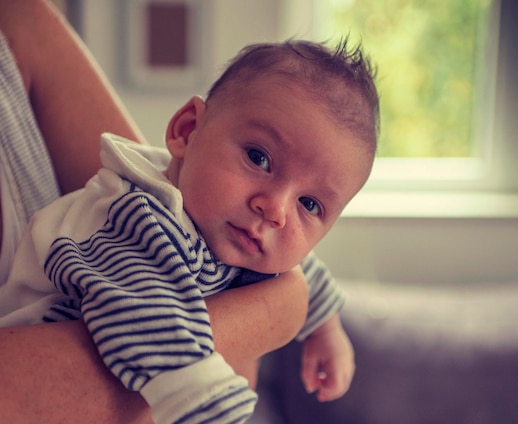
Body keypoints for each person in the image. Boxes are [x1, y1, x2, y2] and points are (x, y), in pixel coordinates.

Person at [0, 3, 380, 424]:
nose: (275, 211)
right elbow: (148, 321)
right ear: (186, 130)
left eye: (309, 205)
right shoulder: (134, 218)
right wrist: (211, 408)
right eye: (259, 158)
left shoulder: (222, 224)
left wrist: (324, 326)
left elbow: (298, 266)